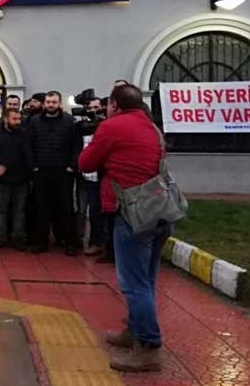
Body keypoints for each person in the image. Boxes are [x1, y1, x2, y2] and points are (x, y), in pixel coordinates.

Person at [78, 84, 167, 373]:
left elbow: (85, 162)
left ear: (114, 105)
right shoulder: (151, 127)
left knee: (133, 283)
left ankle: (150, 347)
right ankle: (135, 330)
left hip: (131, 211)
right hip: (158, 209)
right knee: (147, 279)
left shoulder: (112, 126)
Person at [25, 91, 82, 256]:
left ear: (59, 103)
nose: (51, 105)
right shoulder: (34, 122)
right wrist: (33, 166)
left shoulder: (70, 122)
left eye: (54, 102)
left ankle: (69, 242)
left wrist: (72, 166)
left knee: (66, 207)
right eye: (48, 102)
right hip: (41, 171)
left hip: (64, 171)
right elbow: (28, 145)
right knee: (41, 207)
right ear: (44, 104)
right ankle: (41, 242)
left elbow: (76, 146)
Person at [0, 108, 29, 250]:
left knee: (19, 210)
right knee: (0, 210)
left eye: (19, 119)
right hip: (1, 180)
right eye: (14, 119)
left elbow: (28, 154)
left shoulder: (24, 134)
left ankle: (17, 238)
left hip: (21, 179)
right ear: (5, 119)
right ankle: (0, 238)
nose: (18, 122)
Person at [78, 96, 106, 256]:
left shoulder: (107, 125)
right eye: (90, 109)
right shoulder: (82, 126)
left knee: (107, 210)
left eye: (97, 108)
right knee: (92, 210)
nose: (94, 112)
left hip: (105, 175)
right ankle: (95, 242)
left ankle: (107, 243)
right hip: (88, 175)